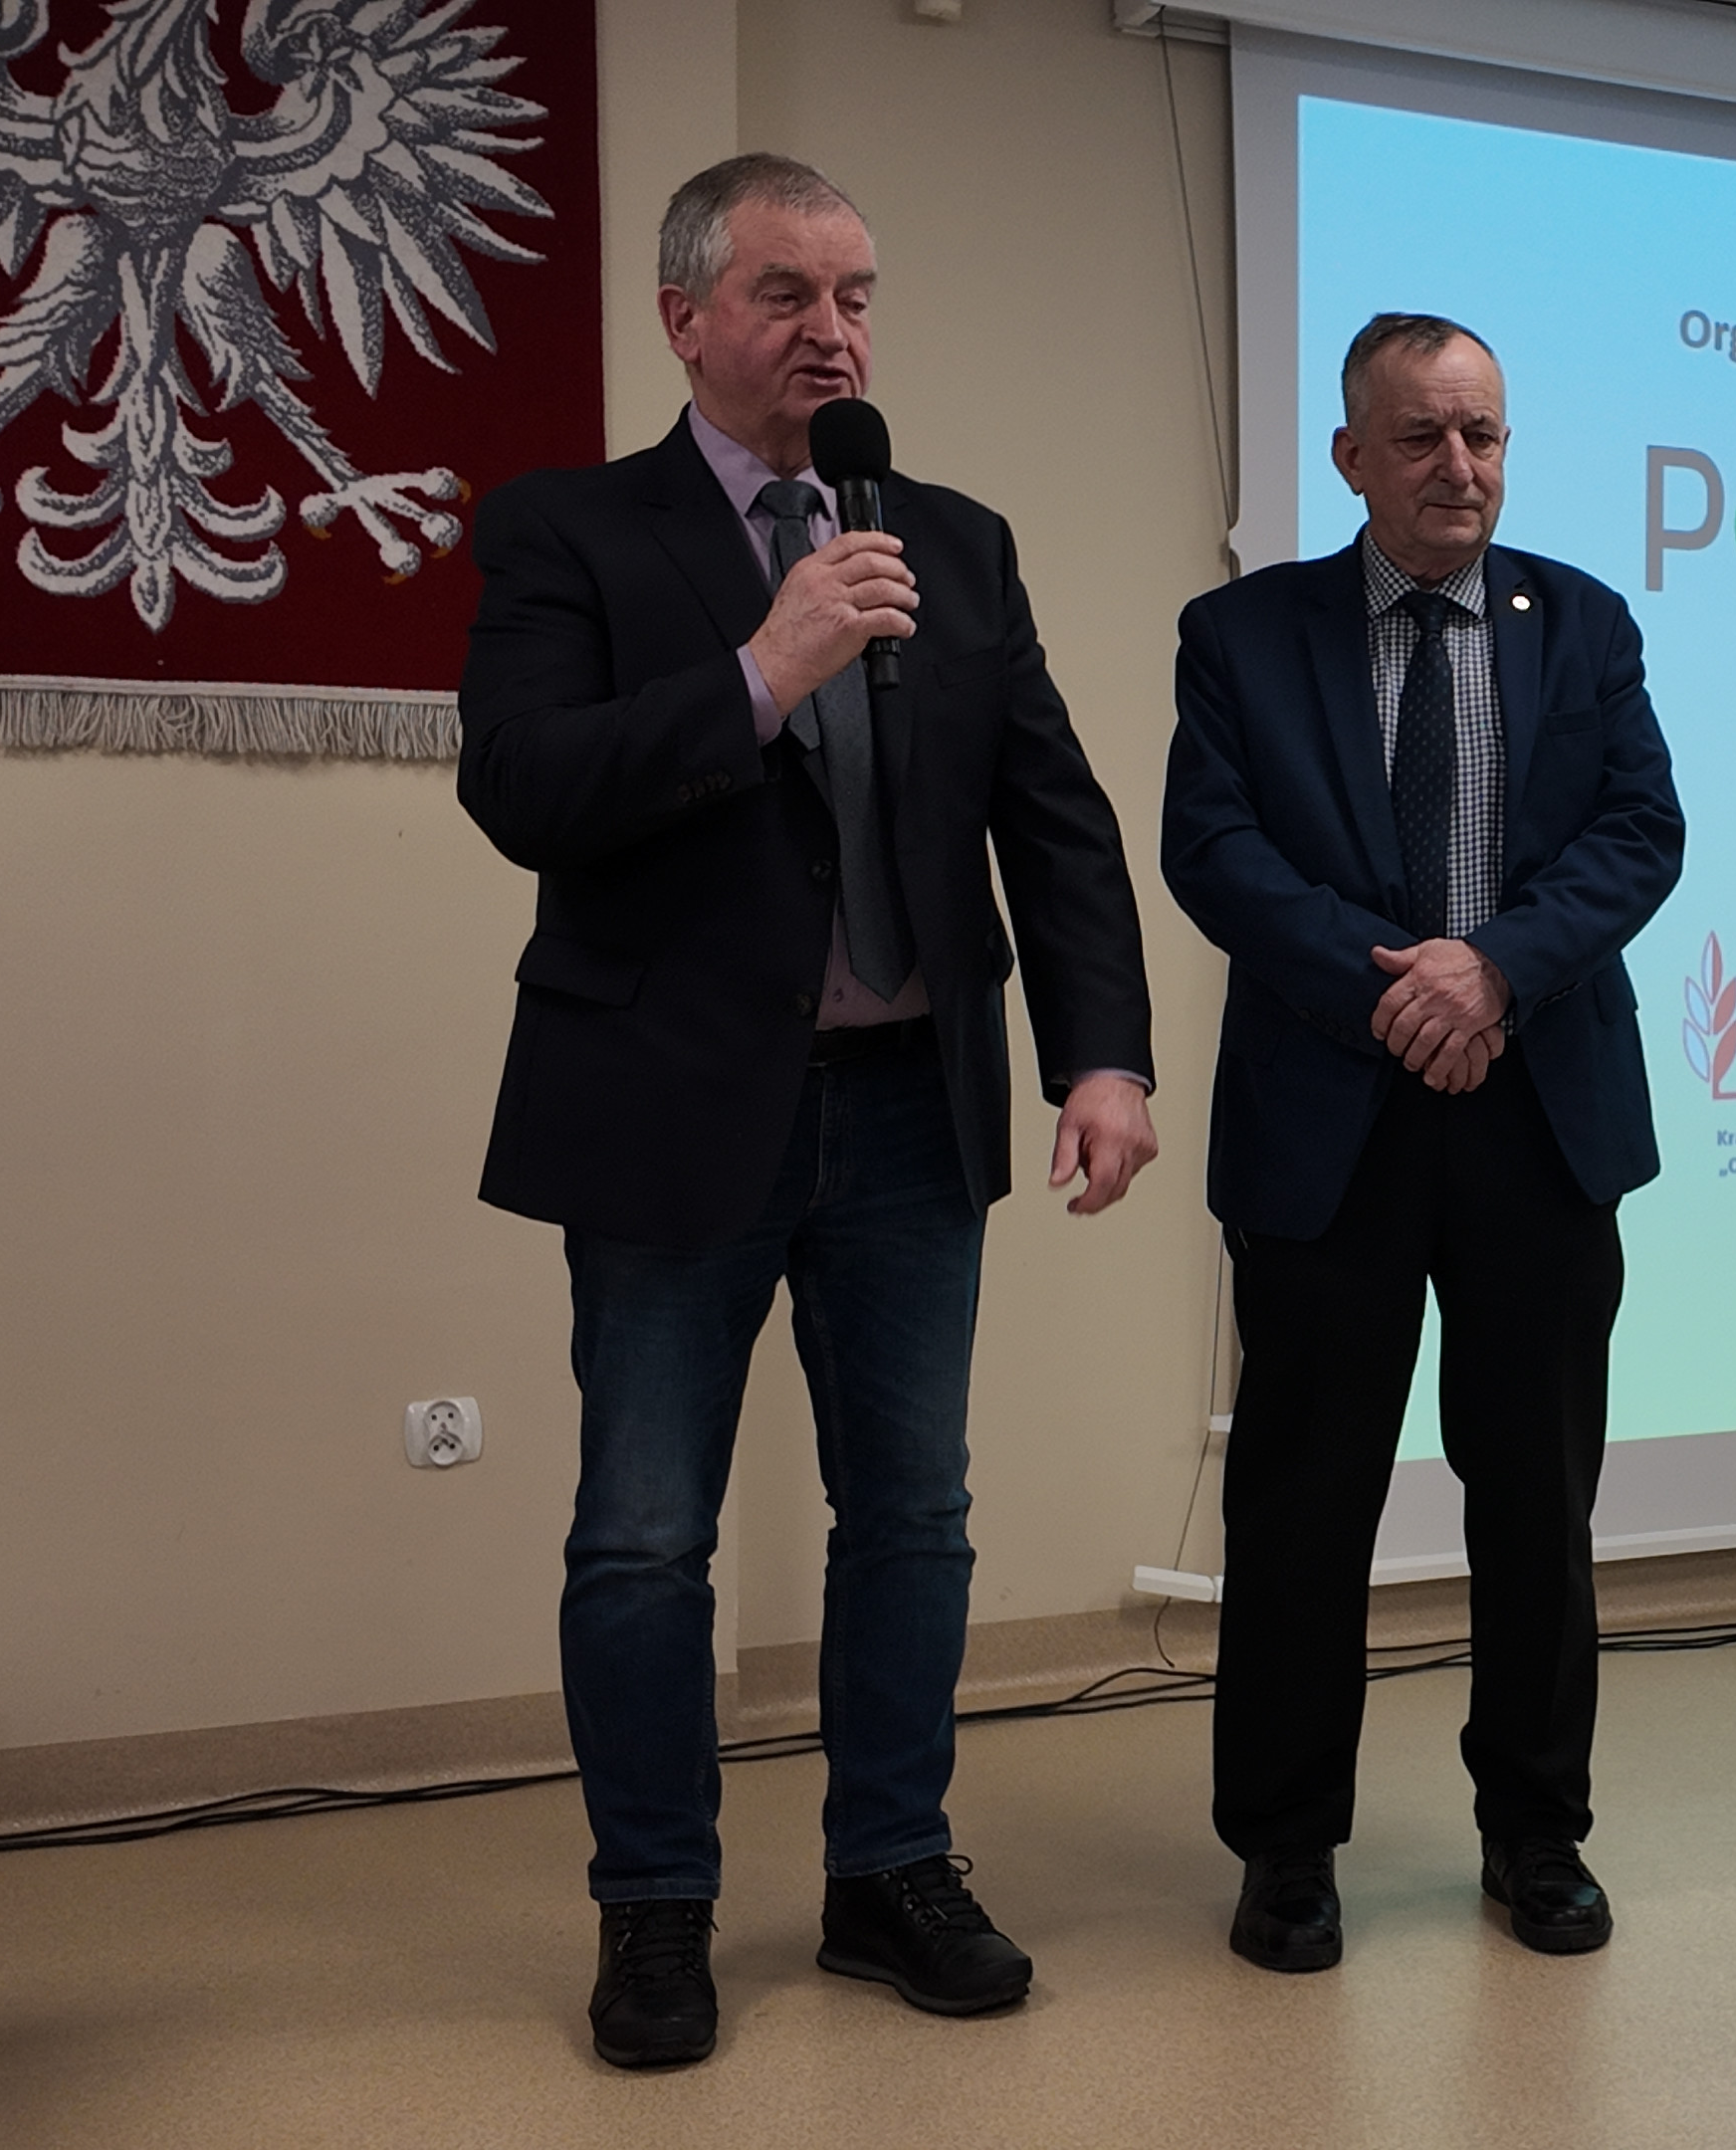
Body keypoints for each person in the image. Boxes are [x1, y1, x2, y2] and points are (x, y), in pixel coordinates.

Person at [454, 153, 1159, 2069]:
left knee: (913, 1514)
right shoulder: (568, 530)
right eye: (787, 294)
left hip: (911, 1106)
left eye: (856, 296)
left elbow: (1054, 820)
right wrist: (766, 668)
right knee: (643, 1536)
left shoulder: (954, 539)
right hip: (673, 1105)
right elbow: (525, 786)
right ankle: (654, 1906)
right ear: (685, 319)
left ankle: (888, 1872)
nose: (833, 333)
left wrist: (1102, 1055)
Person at [1158, 313, 1685, 1974]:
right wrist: (1398, 990)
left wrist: (1497, 970)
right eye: (1421, 438)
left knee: (1537, 1502)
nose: (1460, 467)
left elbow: (1639, 833)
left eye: (1484, 436)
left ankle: (1537, 1833)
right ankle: (1286, 1849)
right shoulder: (1244, 635)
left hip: (1539, 1122)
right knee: (1302, 1505)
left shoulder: (1582, 622)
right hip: (1333, 1124)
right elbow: (1214, 850)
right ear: (1350, 457)